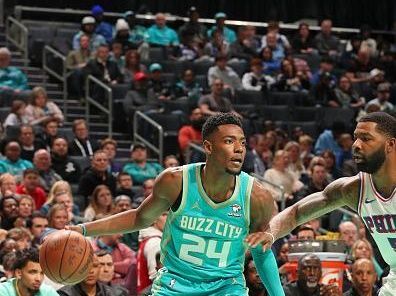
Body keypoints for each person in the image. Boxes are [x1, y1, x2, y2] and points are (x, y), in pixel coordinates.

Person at [68, 112, 284, 296]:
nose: (239, 148)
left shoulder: (257, 196)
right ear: (208, 146)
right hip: (175, 286)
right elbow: (138, 218)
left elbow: (261, 251)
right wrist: (83, 229)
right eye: (229, 141)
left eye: (242, 142)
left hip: (227, 288)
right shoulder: (176, 182)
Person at [245, 111, 396, 296]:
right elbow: (296, 212)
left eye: (366, 138)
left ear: (390, 144)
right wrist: (270, 233)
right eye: (356, 138)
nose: (356, 145)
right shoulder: (355, 189)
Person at [137, 212, 167, 294]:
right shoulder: (155, 242)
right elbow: (156, 277)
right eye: (164, 214)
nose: (168, 218)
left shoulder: (148, 239)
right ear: (154, 219)